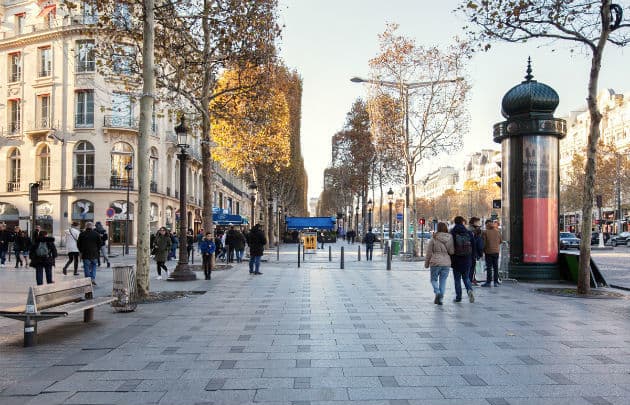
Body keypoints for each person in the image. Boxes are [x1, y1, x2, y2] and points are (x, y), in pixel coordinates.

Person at [424, 222, 454, 305]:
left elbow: (429, 252)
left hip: (435, 262)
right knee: (443, 281)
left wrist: (426, 263)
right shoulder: (450, 238)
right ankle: (440, 299)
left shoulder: (434, 237)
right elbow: (451, 251)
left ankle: (437, 292)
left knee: (433, 280)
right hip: (446, 263)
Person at [450, 216, 475, 303]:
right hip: (467, 259)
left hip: (456, 260)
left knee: (457, 280)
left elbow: (450, 247)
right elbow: (473, 246)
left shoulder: (452, 233)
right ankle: (469, 290)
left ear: (455, 222)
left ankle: (458, 297)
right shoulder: (468, 232)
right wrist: (473, 257)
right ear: (462, 222)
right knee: (466, 278)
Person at [77, 222, 102, 286]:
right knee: (94, 266)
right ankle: (92, 278)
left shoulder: (82, 234)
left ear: (86, 227)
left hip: (85, 253)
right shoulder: (96, 234)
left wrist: (81, 251)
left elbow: (78, 244)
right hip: (94, 253)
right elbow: (100, 244)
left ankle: (87, 280)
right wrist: (97, 250)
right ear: (92, 226)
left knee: (86, 267)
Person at [481, 219, 503, 287]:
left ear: (486, 224)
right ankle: (496, 282)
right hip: (496, 251)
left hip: (488, 252)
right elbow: (500, 241)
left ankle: (488, 282)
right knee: (496, 267)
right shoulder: (498, 231)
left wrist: (482, 250)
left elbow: (483, 243)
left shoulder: (485, 232)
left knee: (489, 267)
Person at [467, 217, 484, 286]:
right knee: (472, 267)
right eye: (477, 222)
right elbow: (479, 244)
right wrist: (480, 253)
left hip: (467, 252)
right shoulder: (475, 231)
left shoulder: (468, 230)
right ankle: (469, 281)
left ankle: (470, 280)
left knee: (469, 267)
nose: (479, 223)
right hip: (473, 252)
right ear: (474, 222)